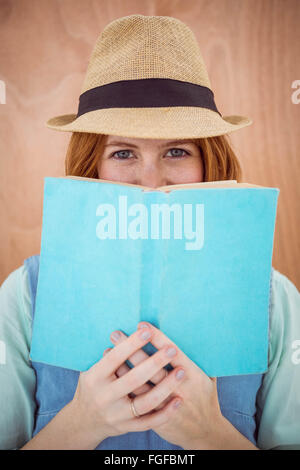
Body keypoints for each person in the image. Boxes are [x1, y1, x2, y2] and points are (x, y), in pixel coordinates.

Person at [0, 14, 299, 450]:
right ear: (92, 168)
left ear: (208, 165)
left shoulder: (276, 301)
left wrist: (210, 434)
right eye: (123, 152)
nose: (152, 182)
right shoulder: (24, 296)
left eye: (177, 150)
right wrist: (81, 422)